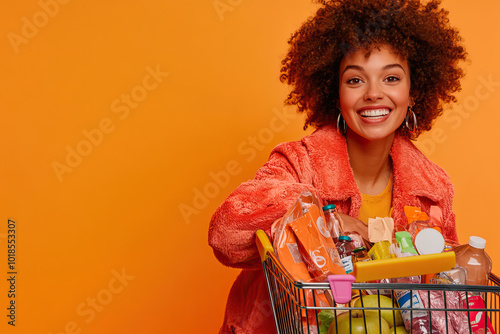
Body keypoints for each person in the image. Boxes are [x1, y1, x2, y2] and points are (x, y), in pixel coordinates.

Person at [209, 0, 467, 332]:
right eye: (355, 80)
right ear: (336, 94)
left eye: (391, 78)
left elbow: (445, 292)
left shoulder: (433, 188)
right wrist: (322, 215)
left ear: (413, 92)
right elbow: (226, 235)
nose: (374, 94)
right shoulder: (299, 162)